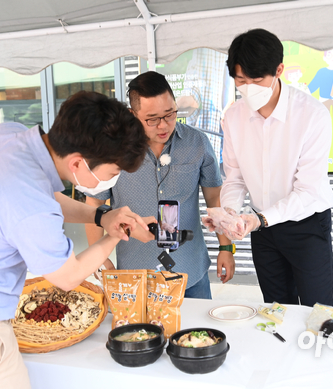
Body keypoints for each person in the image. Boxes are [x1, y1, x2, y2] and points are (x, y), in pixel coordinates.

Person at [0, 91, 154, 389]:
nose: (114, 178)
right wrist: (114, 236)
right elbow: (67, 276)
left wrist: (101, 217)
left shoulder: (9, 134)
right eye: (114, 171)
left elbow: (45, 198)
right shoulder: (28, 201)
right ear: (78, 164)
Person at [84, 71, 235, 299]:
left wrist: (226, 247)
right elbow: (94, 204)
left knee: (198, 335)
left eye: (170, 114)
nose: (163, 125)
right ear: (132, 115)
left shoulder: (197, 144)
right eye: (152, 119)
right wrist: (98, 257)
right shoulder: (114, 151)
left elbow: (215, 199)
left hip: (190, 271)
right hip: (135, 275)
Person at [218, 28, 333, 306]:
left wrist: (260, 218)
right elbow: (234, 178)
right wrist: (230, 215)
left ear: (279, 70)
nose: (248, 89)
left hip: (307, 225)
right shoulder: (233, 117)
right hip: (262, 230)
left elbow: (308, 190)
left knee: (316, 309)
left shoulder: (312, 115)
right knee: (276, 308)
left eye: (257, 80)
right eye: (240, 81)